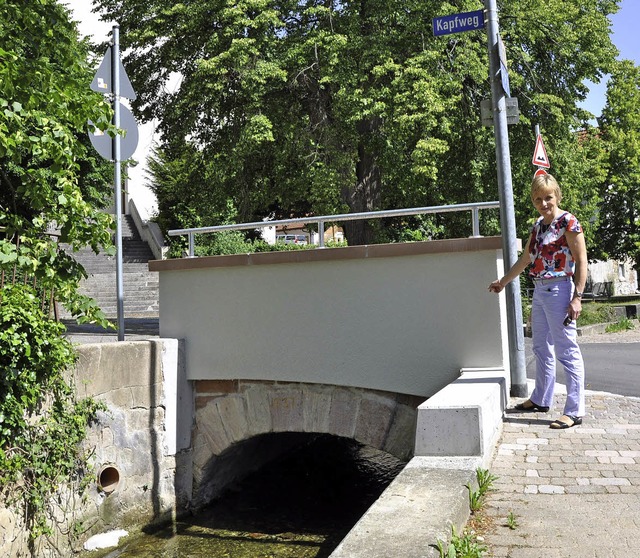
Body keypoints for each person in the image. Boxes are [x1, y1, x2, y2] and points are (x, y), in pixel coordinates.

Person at [489, 172, 587, 429]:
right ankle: (542, 398)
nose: (544, 203)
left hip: (560, 290)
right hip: (540, 291)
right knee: (541, 348)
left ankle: (574, 410)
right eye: (538, 199)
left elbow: (581, 262)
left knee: (567, 350)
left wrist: (577, 297)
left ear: (557, 195)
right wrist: (503, 281)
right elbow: (525, 260)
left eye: (548, 198)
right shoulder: (538, 226)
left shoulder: (568, 222)